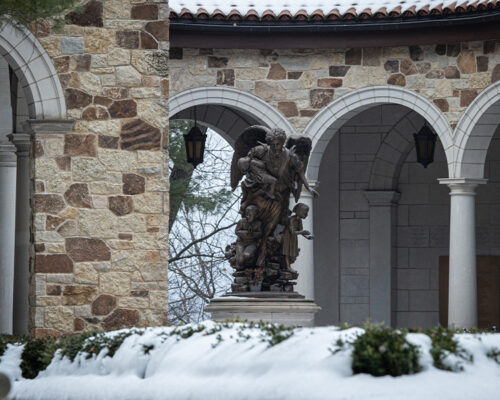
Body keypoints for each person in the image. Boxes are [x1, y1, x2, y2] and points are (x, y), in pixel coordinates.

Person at [281, 203, 313, 270]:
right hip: (287, 237)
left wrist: (307, 237)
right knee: (287, 252)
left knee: (292, 253)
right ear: (300, 211)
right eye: (305, 212)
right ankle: (288, 267)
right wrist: (303, 232)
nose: (306, 214)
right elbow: (292, 232)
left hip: (293, 238)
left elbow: (300, 230)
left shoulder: (299, 220)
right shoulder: (292, 219)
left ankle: (288, 266)